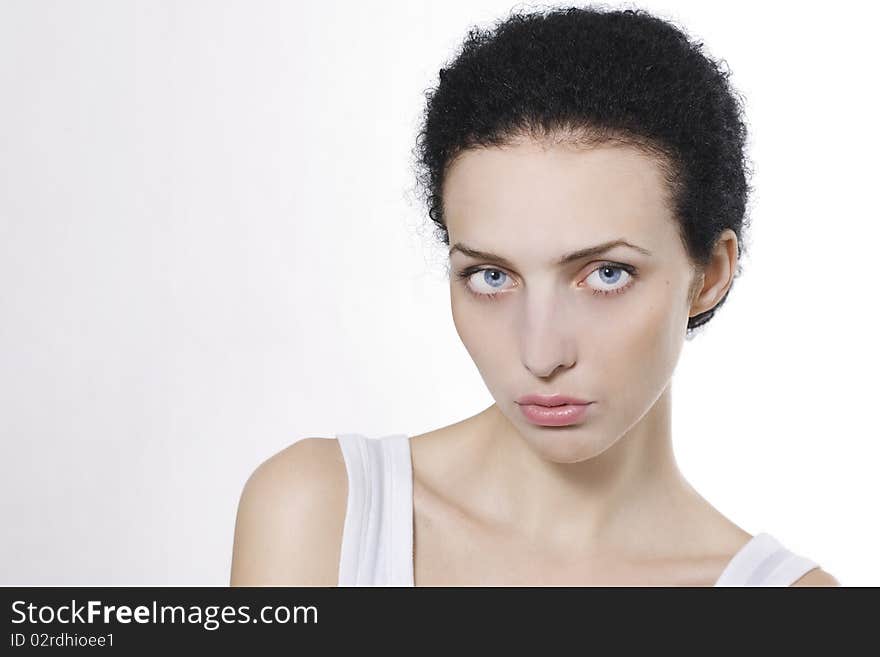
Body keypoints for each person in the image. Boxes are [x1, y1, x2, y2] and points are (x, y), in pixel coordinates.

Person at [230, 6, 839, 586]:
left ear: (709, 273)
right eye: (491, 277)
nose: (541, 354)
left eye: (605, 274)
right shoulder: (321, 515)